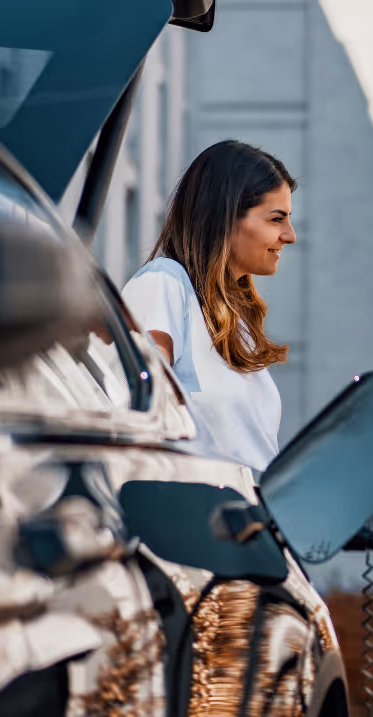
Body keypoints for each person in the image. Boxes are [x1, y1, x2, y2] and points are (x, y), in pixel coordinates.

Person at [123, 140, 297, 470]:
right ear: (227, 217)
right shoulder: (165, 283)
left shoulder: (236, 323)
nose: (290, 235)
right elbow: (138, 420)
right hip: (192, 514)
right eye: (277, 219)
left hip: (247, 513)